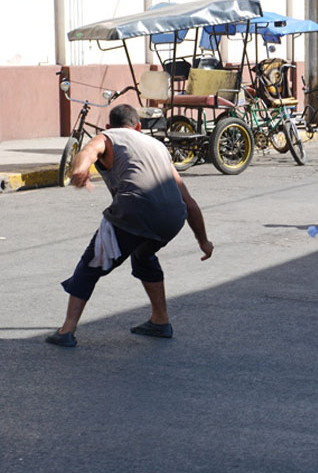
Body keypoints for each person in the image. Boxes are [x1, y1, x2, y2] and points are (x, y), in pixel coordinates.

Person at [45, 104, 213, 347]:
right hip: (173, 218)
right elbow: (189, 201)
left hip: (135, 211)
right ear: (138, 126)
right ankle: (160, 321)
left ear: (109, 126)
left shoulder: (108, 137)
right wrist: (203, 241)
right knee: (144, 256)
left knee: (91, 264)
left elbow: (90, 150)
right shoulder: (158, 146)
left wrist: (80, 170)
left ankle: (66, 330)